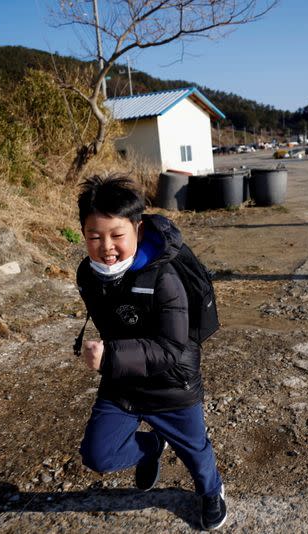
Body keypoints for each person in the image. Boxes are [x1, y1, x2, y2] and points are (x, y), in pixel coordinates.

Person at [75, 175, 227, 530]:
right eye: (94, 236)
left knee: (195, 451)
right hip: (123, 385)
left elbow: (173, 346)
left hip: (172, 383)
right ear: (83, 234)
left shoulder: (165, 277)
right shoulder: (89, 275)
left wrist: (110, 356)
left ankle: (212, 492)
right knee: (98, 455)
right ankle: (151, 446)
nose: (106, 246)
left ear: (138, 230)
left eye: (117, 235)